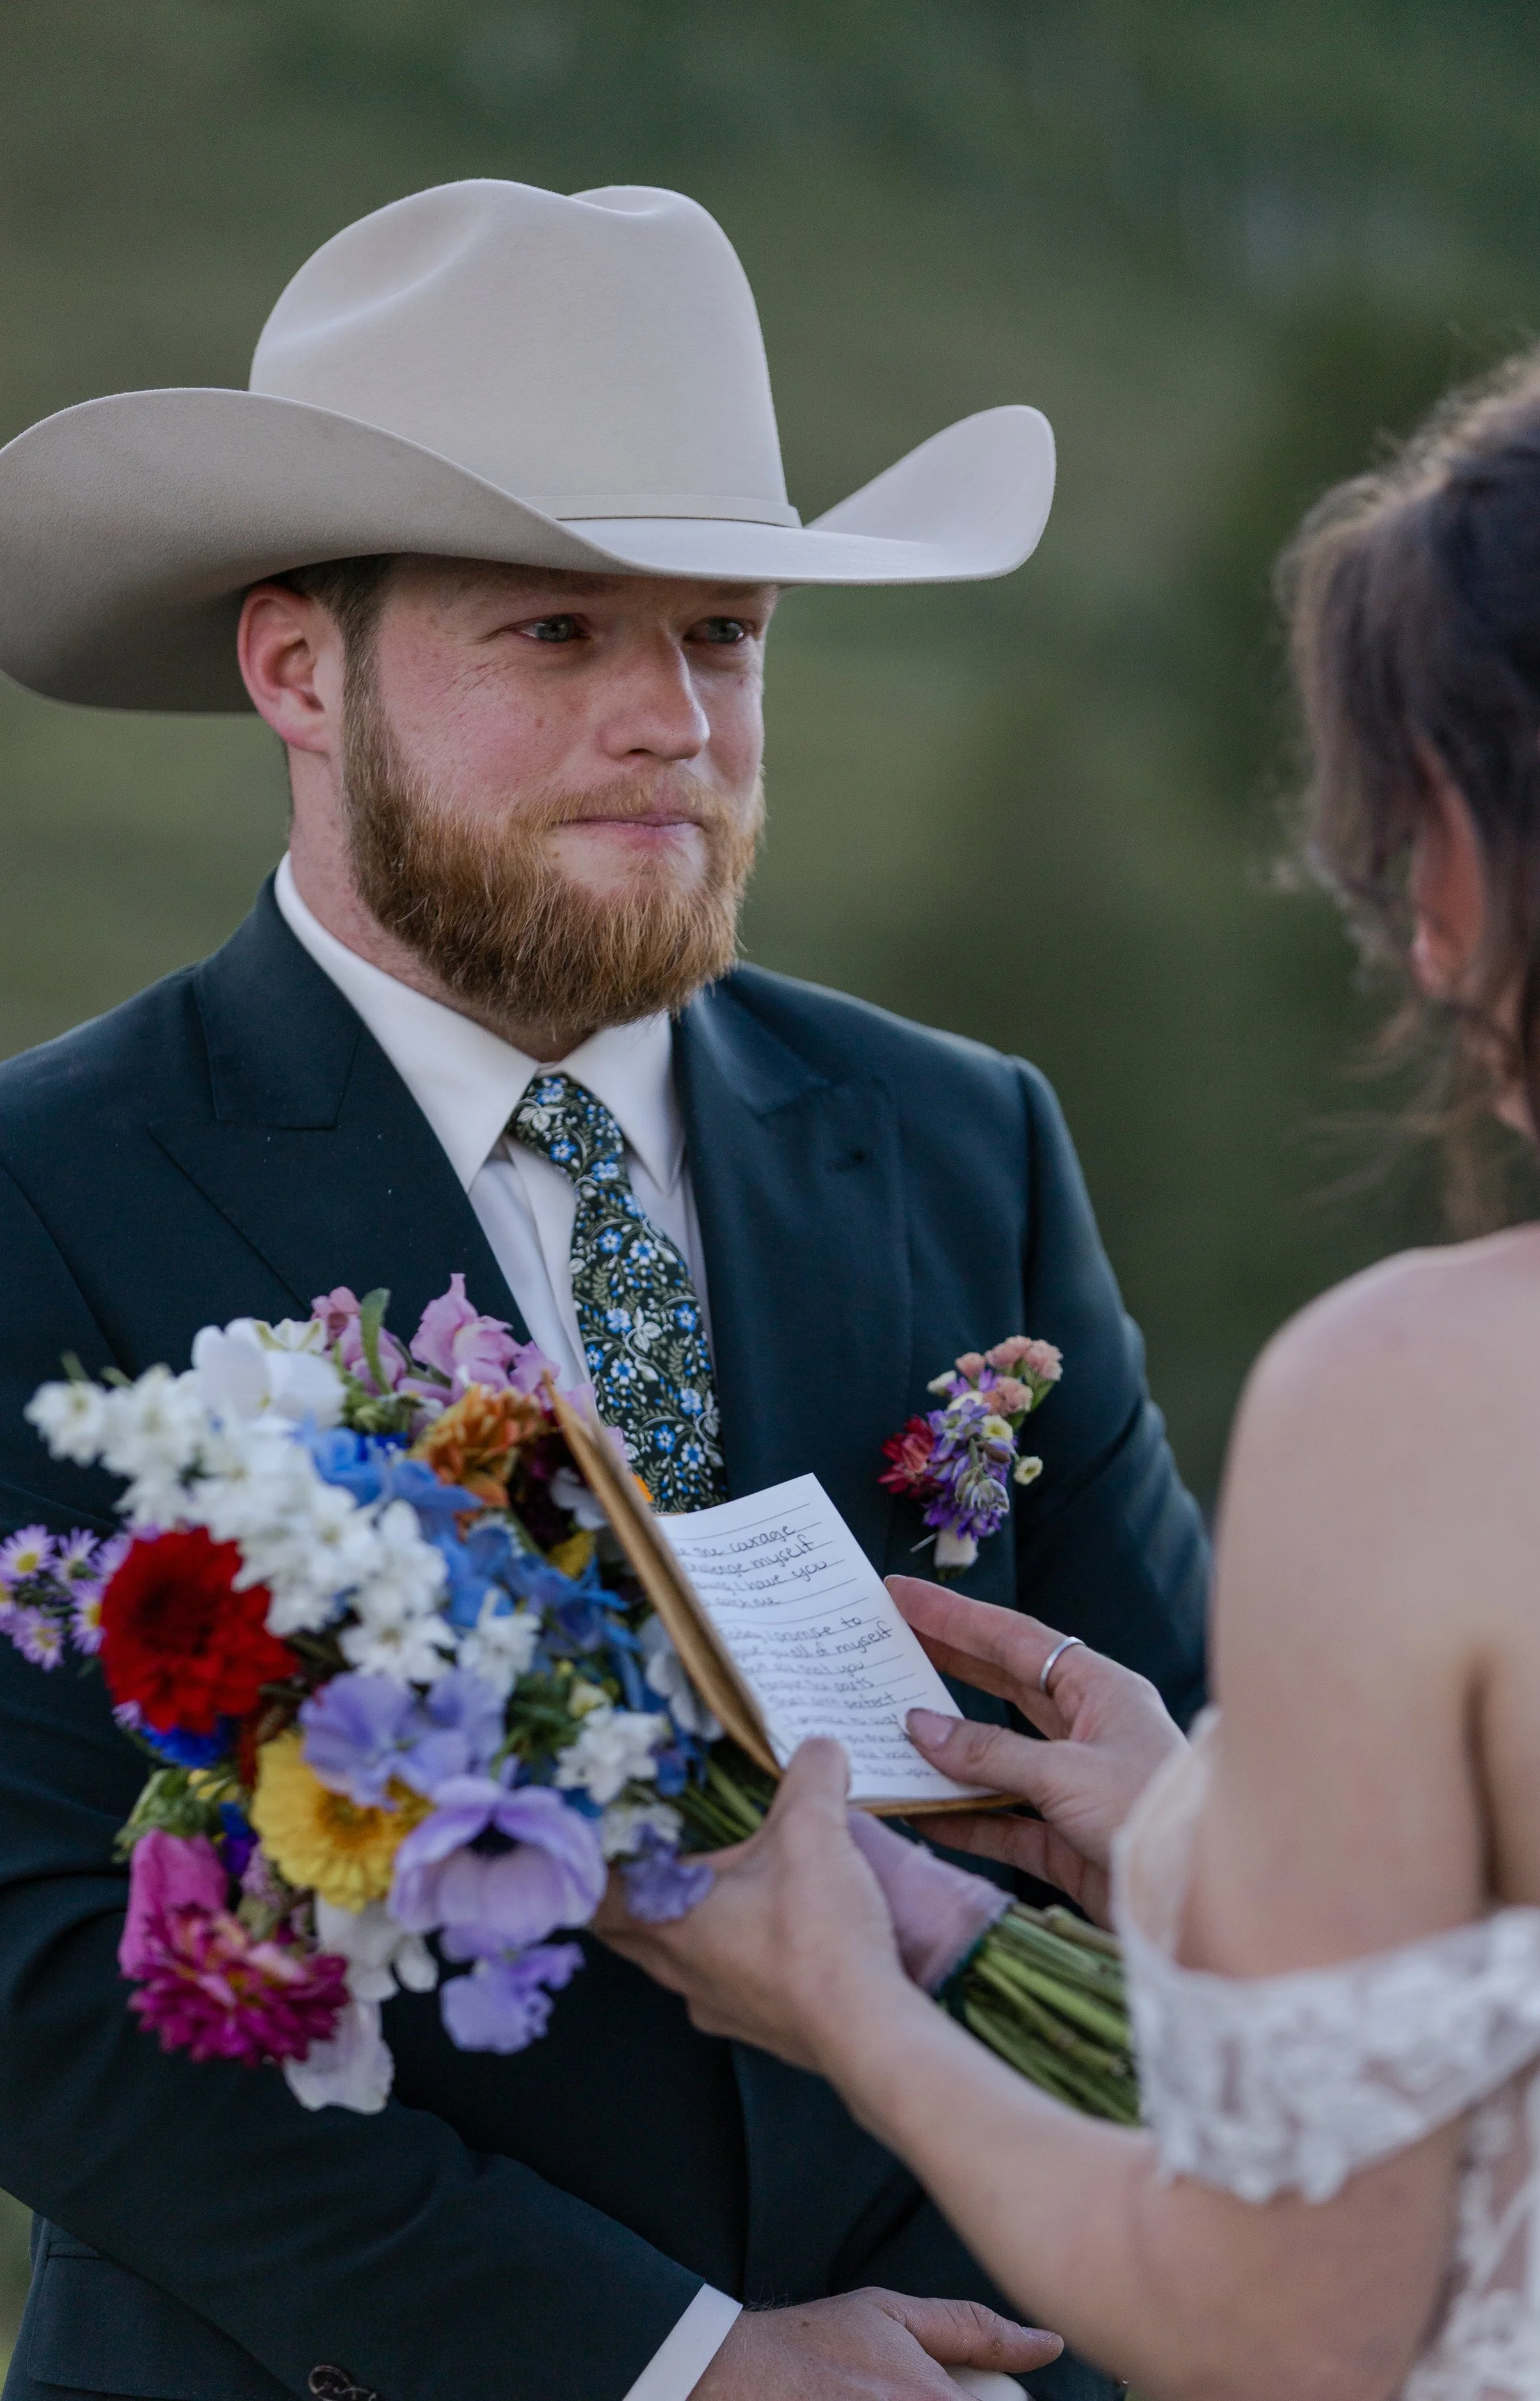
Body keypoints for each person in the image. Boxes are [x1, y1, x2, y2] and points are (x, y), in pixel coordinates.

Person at [0, 182, 1208, 2401]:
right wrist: (672, 2366)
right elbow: (44, 1963)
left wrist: (1208, 1887)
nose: (671, 718)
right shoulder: (45, 1191)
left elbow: (1163, 1758)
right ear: (298, 667)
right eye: (557, 632)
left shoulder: (964, 1143)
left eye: (724, 634)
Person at [601, 320, 1540, 2401]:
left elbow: (1288, 2327)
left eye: (1416, 846)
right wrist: (1187, 1858)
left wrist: (852, 2009)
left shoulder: (1432, 1398)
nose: (1429, 952)